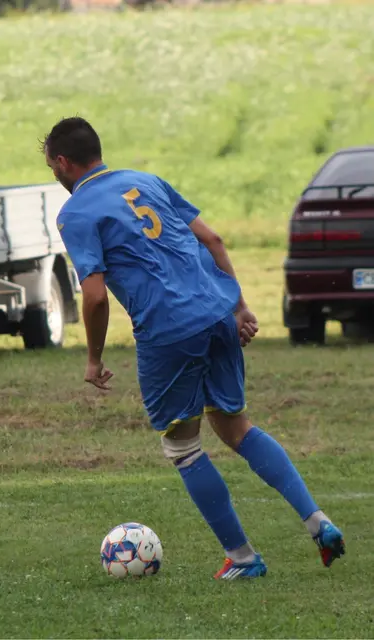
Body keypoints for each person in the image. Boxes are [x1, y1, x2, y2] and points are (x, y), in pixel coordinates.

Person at [41, 117, 345, 579]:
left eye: (52, 167)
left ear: (63, 162)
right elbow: (212, 239)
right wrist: (239, 307)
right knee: (236, 427)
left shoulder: (75, 213)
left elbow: (95, 295)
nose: (54, 175)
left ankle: (243, 558)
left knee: (183, 447)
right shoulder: (146, 181)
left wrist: (94, 358)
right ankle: (318, 522)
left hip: (167, 331)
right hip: (216, 312)